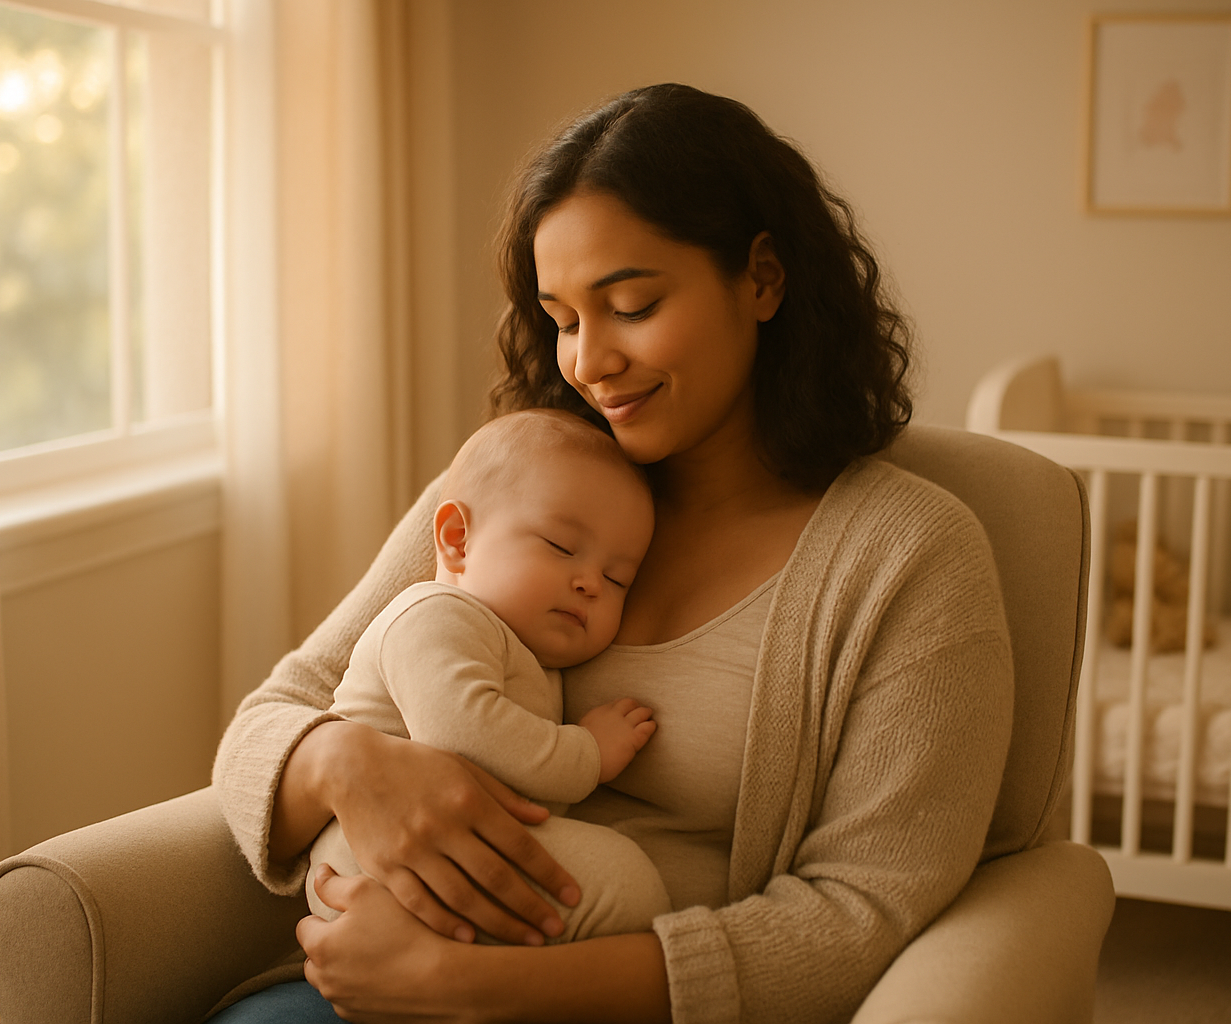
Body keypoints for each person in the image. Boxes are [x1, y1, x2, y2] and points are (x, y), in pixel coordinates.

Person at [211, 82, 1013, 1023]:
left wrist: (468, 988)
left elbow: (860, 912)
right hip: (375, 972)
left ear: (762, 278)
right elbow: (271, 717)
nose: (588, 362)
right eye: (562, 319)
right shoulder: (520, 491)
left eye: (630, 304)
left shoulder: (909, 558)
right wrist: (351, 766)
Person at [304, 408, 671, 941]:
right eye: (562, 547)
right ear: (457, 538)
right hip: (375, 859)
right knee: (626, 884)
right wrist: (587, 751)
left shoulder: (520, 647)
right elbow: (465, 734)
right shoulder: (432, 614)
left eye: (618, 579)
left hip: (448, 847)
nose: (591, 582)